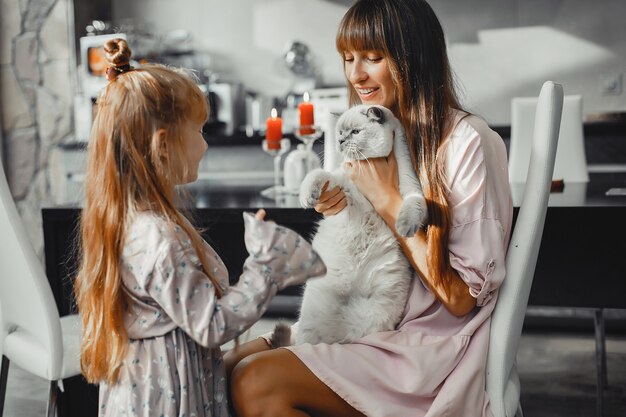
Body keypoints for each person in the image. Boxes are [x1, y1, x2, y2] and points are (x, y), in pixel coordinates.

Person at [225, 0, 514, 416]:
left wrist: (386, 198)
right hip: (364, 327)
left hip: (429, 352)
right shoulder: (369, 136)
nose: (356, 74)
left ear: (414, 57)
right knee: (219, 366)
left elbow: (460, 299)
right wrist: (343, 209)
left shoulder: (468, 141)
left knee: (254, 379)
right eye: (348, 59)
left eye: (373, 58)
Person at [73, 38, 326, 417]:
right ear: (163, 146)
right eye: (198, 131)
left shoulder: (134, 222)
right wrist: (264, 268)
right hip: (167, 400)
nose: (205, 145)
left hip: (149, 387)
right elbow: (211, 325)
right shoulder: (158, 238)